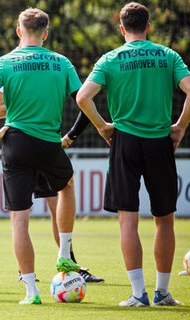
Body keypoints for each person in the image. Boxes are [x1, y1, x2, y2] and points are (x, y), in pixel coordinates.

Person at [76, 2, 190, 307]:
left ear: (121, 28)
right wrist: (179, 126)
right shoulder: (167, 55)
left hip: (124, 142)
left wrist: (102, 127)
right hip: (160, 141)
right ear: (149, 27)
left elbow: (82, 97)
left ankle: (138, 294)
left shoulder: (110, 59)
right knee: (164, 219)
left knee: (128, 220)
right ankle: (162, 292)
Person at [0, 8, 82, 304]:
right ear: (46, 33)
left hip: (16, 143)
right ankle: (64, 253)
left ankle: (31, 292)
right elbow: (84, 103)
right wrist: (71, 135)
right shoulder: (61, 62)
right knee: (67, 186)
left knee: (19, 219)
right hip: (50, 143)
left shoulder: (5, 62)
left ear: (19, 31)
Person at [0, 89, 104, 283]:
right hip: (20, 145)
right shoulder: (8, 69)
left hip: (46, 143)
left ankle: (70, 263)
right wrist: (27, 101)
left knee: (57, 204)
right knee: (21, 212)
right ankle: (24, 270)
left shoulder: (44, 71)